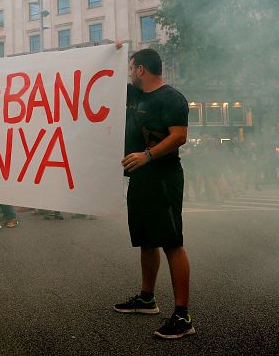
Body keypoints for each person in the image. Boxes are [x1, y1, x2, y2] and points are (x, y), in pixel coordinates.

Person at [114, 47, 194, 340]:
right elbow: (100, 79)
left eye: (130, 67)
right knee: (147, 240)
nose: (129, 73)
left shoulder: (171, 98)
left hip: (163, 177)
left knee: (172, 242)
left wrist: (147, 156)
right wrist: (115, 50)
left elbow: (179, 135)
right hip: (140, 179)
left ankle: (183, 315)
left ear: (141, 70)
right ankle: (147, 298)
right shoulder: (135, 96)